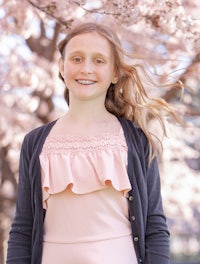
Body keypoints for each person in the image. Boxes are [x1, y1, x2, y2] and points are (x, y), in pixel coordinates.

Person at [6, 21, 182, 264]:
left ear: (115, 73)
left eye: (98, 61)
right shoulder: (36, 142)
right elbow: (23, 228)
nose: (86, 68)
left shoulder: (136, 139)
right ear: (62, 66)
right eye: (76, 59)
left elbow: (154, 225)